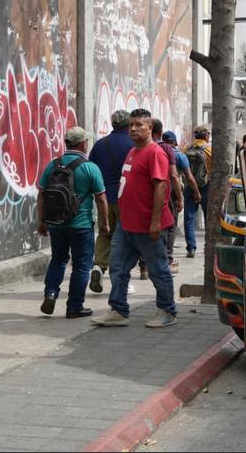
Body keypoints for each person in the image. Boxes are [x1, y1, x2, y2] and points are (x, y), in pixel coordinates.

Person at [92, 108, 178, 329]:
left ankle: (167, 310)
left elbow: (161, 186)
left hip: (148, 226)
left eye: (139, 125)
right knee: (117, 268)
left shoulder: (155, 153)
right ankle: (118, 310)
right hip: (126, 224)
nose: (133, 128)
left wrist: (155, 222)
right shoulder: (132, 151)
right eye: (131, 124)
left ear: (150, 128)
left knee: (158, 270)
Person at [36, 127, 109, 319]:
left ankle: (50, 293)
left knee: (58, 259)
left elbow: (41, 195)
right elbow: (101, 199)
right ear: (82, 143)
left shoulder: (53, 165)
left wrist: (41, 221)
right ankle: (75, 306)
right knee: (82, 266)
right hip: (81, 225)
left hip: (56, 223)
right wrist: (105, 224)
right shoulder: (90, 167)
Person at [87, 110, 134, 294]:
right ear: (128, 124)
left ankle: (98, 267)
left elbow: (91, 168)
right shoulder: (133, 145)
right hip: (126, 199)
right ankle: (121, 279)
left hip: (104, 199)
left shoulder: (100, 144)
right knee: (124, 239)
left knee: (105, 233)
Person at [142, 119, 184, 276]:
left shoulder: (140, 147)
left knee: (144, 229)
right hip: (164, 194)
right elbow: (173, 175)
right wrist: (180, 197)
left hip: (143, 196)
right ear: (160, 132)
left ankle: (144, 265)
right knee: (169, 226)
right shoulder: (166, 148)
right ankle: (167, 260)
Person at [163, 130, 201, 266]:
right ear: (174, 142)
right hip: (173, 192)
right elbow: (189, 177)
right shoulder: (180, 155)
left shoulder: (156, 151)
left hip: (156, 190)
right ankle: (168, 257)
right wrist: (196, 192)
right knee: (171, 225)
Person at [183, 124, 212, 258]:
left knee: (189, 219)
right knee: (208, 218)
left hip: (189, 186)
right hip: (205, 186)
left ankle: (191, 248)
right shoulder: (210, 150)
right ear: (206, 135)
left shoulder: (186, 150)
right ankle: (208, 247)